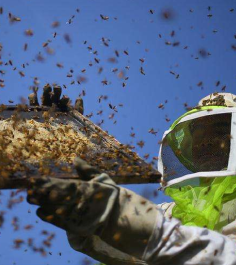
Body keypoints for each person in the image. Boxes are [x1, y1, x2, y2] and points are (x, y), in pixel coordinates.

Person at [27, 89, 236, 264]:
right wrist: (69, 162)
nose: (205, 143)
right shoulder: (169, 214)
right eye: (198, 133)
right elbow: (109, 241)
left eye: (219, 130)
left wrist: (152, 235)